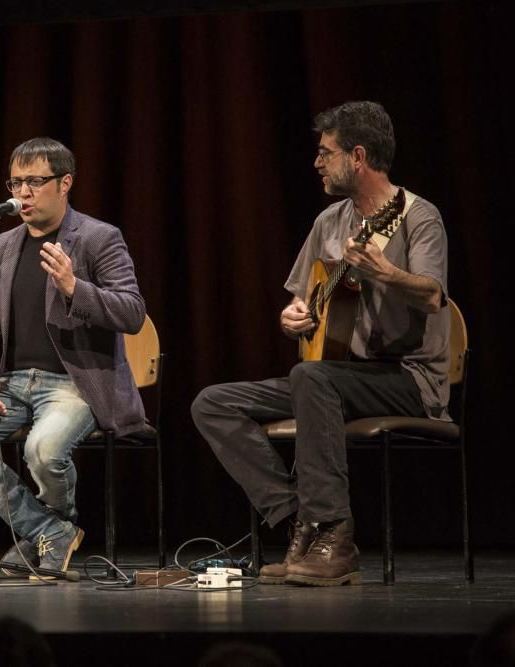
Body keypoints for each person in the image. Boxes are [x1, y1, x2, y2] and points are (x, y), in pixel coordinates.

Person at [191, 101, 449, 586]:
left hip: (407, 377)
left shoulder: (417, 216)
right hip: (334, 378)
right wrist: (292, 318)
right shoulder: (329, 222)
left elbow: (434, 294)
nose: (316, 162)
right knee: (214, 403)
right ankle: (300, 520)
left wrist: (386, 272)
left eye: (325, 153)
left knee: (311, 376)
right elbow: (299, 300)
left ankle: (336, 535)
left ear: (357, 156)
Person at [0, 137, 147, 575]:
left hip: (75, 383)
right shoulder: (2, 245)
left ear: (65, 183)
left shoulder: (97, 237)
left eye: (35, 181)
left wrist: (76, 288)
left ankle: (48, 533)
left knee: (43, 448)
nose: (22, 194)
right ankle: (48, 530)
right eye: (16, 182)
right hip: (13, 382)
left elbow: (132, 311)